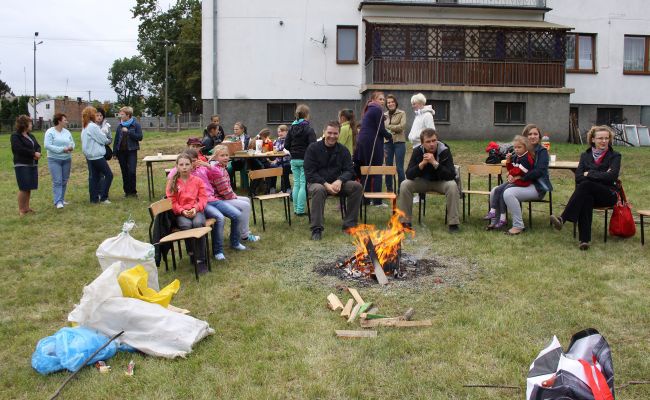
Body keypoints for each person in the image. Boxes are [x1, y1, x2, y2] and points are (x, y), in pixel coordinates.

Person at [549, 126, 621, 250]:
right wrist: (602, 174)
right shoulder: (585, 155)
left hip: (608, 194)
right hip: (591, 193)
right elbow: (578, 177)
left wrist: (590, 173)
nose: (604, 141)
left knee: (586, 185)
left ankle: (563, 218)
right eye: (600, 138)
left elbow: (612, 176)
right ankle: (584, 241)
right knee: (586, 196)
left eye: (606, 138)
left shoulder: (615, 156)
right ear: (593, 139)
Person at [168, 149, 245, 261]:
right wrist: (182, 167)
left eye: (195, 160)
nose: (194, 163)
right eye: (191, 161)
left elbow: (218, 174)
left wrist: (207, 165)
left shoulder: (202, 169)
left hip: (213, 199)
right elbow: (171, 177)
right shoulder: (185, 172)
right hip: (202, 203)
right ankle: (218, 251)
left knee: (237, 215)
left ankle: (235, 242)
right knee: (219, 218)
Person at [304, 121, 363, 241]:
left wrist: (340, 181)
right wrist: (325, 184)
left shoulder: (343, 150)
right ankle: (317, 229)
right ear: (324, 132)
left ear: (339, 134)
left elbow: (349, 170)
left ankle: (350, 225)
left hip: (337, 184)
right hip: (317, 183)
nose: (332, 136)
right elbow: (310, 173)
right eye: (329, 133)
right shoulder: (313, 148)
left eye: (335, 133)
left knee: (356, 187)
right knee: (319, 189)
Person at [493, 124, 553, 235]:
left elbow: (539, 171)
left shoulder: (542, 152)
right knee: (495, 190)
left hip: (537, 187)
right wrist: (511, 174)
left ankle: (518, 226)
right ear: (524, 137)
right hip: (521, 184)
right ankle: (496, 222)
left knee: (508, 193)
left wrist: (520, 177)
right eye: (529, 134)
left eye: (535, 134)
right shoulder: (520, 150)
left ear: (539, 137)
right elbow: (514, 167)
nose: (533, 136)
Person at [397, 128, 460, 233]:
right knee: (405, 184)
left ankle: (453, 224)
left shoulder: (444, 150)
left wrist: (435, 163)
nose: (432, 144)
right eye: (428, 141)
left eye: (434, 140)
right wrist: (422, 164)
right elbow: (409, 174)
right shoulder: (418, 151)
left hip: (441, 182)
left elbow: (451, 175)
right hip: (423, 181)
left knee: (452, 186)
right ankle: (405, 222)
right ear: (422, 143)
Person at [166, 153, 208, 274]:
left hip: (196, 210)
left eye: (187, 164)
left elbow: (203, 198)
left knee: (198, 223)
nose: (184, 167)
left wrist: (195, 208)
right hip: (181, 213)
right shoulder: (172, 182)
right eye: (181, 164)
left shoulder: (198, 181)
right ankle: (192, 252)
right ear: (177, 166)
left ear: (192, 166)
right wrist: (182, 211)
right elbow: (172, 202)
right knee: (186, 225)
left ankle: (200, 259)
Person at [212, 145, 260, 242]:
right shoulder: (217, 170)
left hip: (224, 197)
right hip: (219, 199)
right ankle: (245, 235)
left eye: (226, 155)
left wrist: (233, 195)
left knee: (247, 200)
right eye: (222, 155)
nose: (225, 157)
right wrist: (233, 196)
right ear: (216, 157)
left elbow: (227, 188)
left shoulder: (222, 167)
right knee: (245, 205)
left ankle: (239, 231)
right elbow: (223, 191)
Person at [485, 135, 535, 230]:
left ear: (525, 147)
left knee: (503, 191)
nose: (516, 149)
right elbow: (511, 169)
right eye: (515, 147)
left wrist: (511, 174)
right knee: (498, 189)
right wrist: (508, 161)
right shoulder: (517, 157)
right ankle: (494, 213)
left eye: (519, 147)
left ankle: (501, 217)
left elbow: (520, 171)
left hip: (523, 182)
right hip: (515, 181)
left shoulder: (526, 158)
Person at [354, 91, 391, 206]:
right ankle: (377, 201)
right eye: (380, 99)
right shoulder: (377, 110)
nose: (382, 101)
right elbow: (381, 129)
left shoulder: (369, 109)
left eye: (383, 99)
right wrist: (390, 136)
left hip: (364, 142)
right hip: (371, 142)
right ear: (373, 99)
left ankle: (366, 200)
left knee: (367, 170)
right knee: (377, 169)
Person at [285, 104, 317, 216]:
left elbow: (286, 145)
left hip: (294, 159)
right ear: (307, 115)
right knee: (303, 184)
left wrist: (293, 151)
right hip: (305, 160)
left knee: (296, 184)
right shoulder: (309, 129)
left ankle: (295, 209)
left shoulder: (291, 128)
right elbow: (313, 146)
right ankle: (300, 210)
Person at [81, 106, 113, 204]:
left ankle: (94, 199)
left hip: (89, 156)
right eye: (95, 113)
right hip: (97, 156)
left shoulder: (85, 126)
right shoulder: (93, 126)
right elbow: (103, 139)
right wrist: (107, 140)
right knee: (109, 175)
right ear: (91, 115)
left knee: (94, 178)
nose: (97, 115)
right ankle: (103, 197)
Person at [11, 115, 41, 216]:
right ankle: (21, 210)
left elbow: (37, 146)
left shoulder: (31, 136)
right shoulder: (15, 136)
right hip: (21, 164)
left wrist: (38, 153)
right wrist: (33, 154)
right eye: (30, 123)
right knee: (23, 187)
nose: (31, 125)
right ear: (24, 124)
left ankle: (27, 208)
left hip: (32, 164)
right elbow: (18, 149)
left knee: (29, 187)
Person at [44, 113, 75, 209]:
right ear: (59, 121)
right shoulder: (50, 132)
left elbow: (72, 142)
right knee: (57, 181)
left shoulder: (67, 132)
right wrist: (62, 149)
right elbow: (47, 146)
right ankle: (57, 201)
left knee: (64, 180)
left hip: (66, 159)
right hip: (54, 160)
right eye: (65, 120)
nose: (67, 122)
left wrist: (71, 147)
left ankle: (61, 199)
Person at [113, 106, 143, 198]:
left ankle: (133, 192)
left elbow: (140, 137)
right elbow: (116, 139)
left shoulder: (136, 124)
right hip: (121, 152)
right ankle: (127, 192)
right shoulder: (120, 125)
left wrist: (129, 132)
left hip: (132, 151)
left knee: (132, 171)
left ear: (128, 115)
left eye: (122, 114)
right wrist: (114, 152)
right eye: (120, 114)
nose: (120, 116)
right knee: (124, 172)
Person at [384, 94, 407, 193]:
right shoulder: (384, 115)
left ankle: (401, 189)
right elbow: (382, 128)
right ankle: (389, 189)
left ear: (395, 103)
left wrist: (389, 127)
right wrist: (394, 127)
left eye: (392, 102)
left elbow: (402, 127)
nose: (390, 104)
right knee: (388, 167)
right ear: (386, 104)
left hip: (399, 142)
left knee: (399, 167)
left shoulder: (402, 113)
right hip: (387, 142)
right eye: (388, 102)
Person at [269, 124, 292, 194]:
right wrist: (275, 160)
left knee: (284, 167)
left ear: (287, 132)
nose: (280, 133)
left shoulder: (290, 140)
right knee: (272, 167)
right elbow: (274, 151)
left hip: (288, 162)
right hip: (278, 161)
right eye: (279, 132)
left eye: (282, 131)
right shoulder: (276, 141)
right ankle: (272, 187)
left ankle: (287, 188)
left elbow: (287, 151)